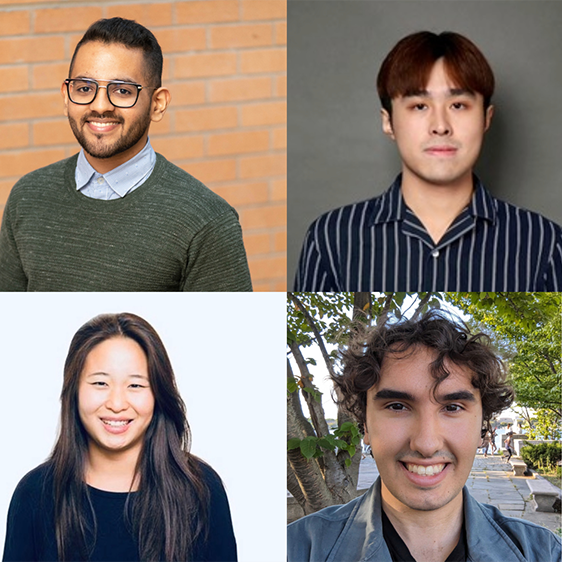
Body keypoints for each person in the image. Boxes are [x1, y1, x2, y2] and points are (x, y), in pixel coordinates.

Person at [294, 31, 562, 292]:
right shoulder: (331, 239)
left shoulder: (543, 244)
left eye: (458, 105)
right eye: (419, 106)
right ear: (388, 121)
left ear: (486, 118)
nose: (440, 126)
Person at [0, 17, 252, 292]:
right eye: (84, 88)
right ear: (66, 97)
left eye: (122, 91)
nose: (100, 105)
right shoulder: (27, 196)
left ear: (157, 104)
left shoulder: (207, 221)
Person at [287, 311, 561, 562]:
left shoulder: (545, 552)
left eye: (452, 407)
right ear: (365, 426)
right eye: (397, 406)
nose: (426, 444)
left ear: (483, 428)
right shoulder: (292, 549)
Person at [2, 313, 237, 561]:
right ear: (75, 391)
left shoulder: (201, 488)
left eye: (135, 385)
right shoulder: (34, 493)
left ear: (158, 394)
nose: (116, 403)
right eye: (100, 383)